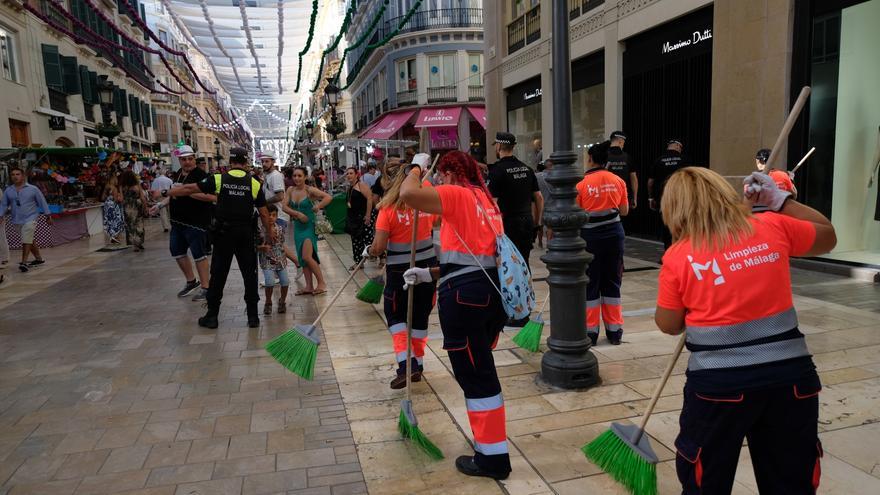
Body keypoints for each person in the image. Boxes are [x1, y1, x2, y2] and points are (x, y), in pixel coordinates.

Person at [655, 167, 836, 494]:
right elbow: (827, 234)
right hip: (791, 381)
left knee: (706, 481)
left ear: (674, 210)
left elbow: (668, 324)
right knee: (791, 481)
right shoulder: (772, 225)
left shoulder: (679, 257)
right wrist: (780, 201)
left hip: (717, 388)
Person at [400, 151, 511, 480]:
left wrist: (417, 166)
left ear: (448, 173)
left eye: (440, 176)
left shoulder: (456, 192)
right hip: (487, 295)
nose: (437, 182)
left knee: (476, 376)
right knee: (481, 370)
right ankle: (491, 448)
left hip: (463, 299)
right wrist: (429, 274)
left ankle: (493, 458)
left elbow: (407, 193)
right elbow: (473, 259)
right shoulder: (485, 200)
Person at [158, 147, 274, 329]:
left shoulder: (219, 178)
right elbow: (265, 214)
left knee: (218, 275)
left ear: (230, 161)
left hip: (223, 235)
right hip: (245, 234)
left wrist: (167, 193)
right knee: (249, 275)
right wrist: (269, 234)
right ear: (246, 162)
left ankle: (212, 316)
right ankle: (253, 317)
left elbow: (189, 188)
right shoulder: (254, 183)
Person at [366, 154, 437, 389]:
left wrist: (369, 250)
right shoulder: (426, 200)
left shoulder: (387, 210)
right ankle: (418, 362)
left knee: (396, 317)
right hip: (428, 268)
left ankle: (406, 364)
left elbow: (378, 248)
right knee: (420, 317)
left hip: (399, 273)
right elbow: (437, 222)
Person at [576, 141, 629, 346]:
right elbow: (624, 211)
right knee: (612, 282)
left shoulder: (580, 184)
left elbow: (577, 216)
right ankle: (615, 331)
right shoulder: (617, 180)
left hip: (591, 238)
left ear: (590, 158)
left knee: (591, 283)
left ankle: (591, 332)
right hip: (615, 236)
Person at [151, 146, 214, 301]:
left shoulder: (202, 175)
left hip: (196, 222)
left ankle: (206, 287)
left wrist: (187, 192)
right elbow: (174, 194)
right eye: (184, 159)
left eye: (190, 158)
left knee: (198, 254)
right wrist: (160, 205)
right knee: (177, 251)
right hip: (177, 222)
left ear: (194, 158)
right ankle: (191, 281)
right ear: (179, 160)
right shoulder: (178, 174)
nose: (187, 162)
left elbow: (212, 197)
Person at [488, 131, 543, 295]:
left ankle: (514, 303)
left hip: (507, 225)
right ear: (513, 147)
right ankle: (527, 298)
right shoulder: (527, 169)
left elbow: (493, 203)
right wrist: (538, 222)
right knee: (524, 261)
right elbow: (538, 197)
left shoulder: (497, 171)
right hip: (526, 221)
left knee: (508, 265)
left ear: (498, 146)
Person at [282, 166, 331, 295]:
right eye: (294, 176)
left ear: (305, 177)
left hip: (309, 227)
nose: (297, 178)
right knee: (302, 259)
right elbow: (284, 207)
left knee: (307, 257)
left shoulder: (310, 190)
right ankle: (309, 286)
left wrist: (318, 206)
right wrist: (297, 214)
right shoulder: (290, 190)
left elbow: (328, 197)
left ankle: (321, 283)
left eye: (299, 176)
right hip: (298, 228)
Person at [0, 167, 52, 272]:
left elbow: (42, 202)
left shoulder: (33, 189)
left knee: (26, 239)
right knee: (28, 238)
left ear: (23, 176)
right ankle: (39, 259)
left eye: (17, 174)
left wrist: (48, 216)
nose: (15, 176)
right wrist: (0, 215)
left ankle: (23, 262)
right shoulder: (8, 190)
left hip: (31, 217)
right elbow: (4, 204)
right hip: (16, 219)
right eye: (13, 175)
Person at [648, 139, 687, 250]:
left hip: (663, 198)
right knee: (681, 223)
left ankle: (668, 252)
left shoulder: (658, 161)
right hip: (681, 197)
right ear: (678, 147)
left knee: (666, 224)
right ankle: (680, 250)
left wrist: (651, 198)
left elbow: (650, 182)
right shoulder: (684, 160)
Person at [257, 205, 289, 315]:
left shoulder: (280, 229)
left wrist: (285, 257)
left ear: (277, 216)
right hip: (267, 261)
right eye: (268, 215)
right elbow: (255, 246)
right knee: (269, 282)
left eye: (274, 215)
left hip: (280, 259)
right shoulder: (260, 230)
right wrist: (262, 248)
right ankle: (268, 302)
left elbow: (282, 244)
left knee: (285, 282)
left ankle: (282, 301)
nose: (271, 217)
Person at [345, 166, 374, 269]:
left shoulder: (361, 185)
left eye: (351, 173)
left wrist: (368, 215)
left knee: (369, 239)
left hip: (363, 217)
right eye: (347, 174)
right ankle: (358, 262)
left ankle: (382, 256)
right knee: (356, 240)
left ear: (357, 175)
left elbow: (370, 199)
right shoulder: (350, 188)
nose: (348, 175)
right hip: (354, 218)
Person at [606, 131, 638, 210]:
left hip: (606, 195)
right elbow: (634, 179)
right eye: (623, 143)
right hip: (623, 196)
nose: (623, 145)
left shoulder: (602, 156)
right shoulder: (628, 157)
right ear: (620, 141)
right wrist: (634, 198)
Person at [118, 169, 149, 252]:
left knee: (130, 225)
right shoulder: (137, 185)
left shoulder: (121, 186)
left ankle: (135, 244)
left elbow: (121, 198)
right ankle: (139, 242)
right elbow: (142, 197)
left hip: (127, 206)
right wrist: (146, 206)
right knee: (139, 224)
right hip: (137, 205)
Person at [101, 172, 125, 245]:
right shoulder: (114, 188)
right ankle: (115, 236)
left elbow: (102, 198)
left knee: (109, 220)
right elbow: (116, 199)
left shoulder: (106, 187)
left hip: (107, 205)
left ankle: (112, 236)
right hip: (113, 206)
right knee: (117, 220)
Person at [535, 159, 553, 248]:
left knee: (540, 224)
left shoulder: (537, 176)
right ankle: (549, 243)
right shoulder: (554, 176)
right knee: (550, 226)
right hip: (551, 204)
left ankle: (540, 242)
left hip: (539, 204)